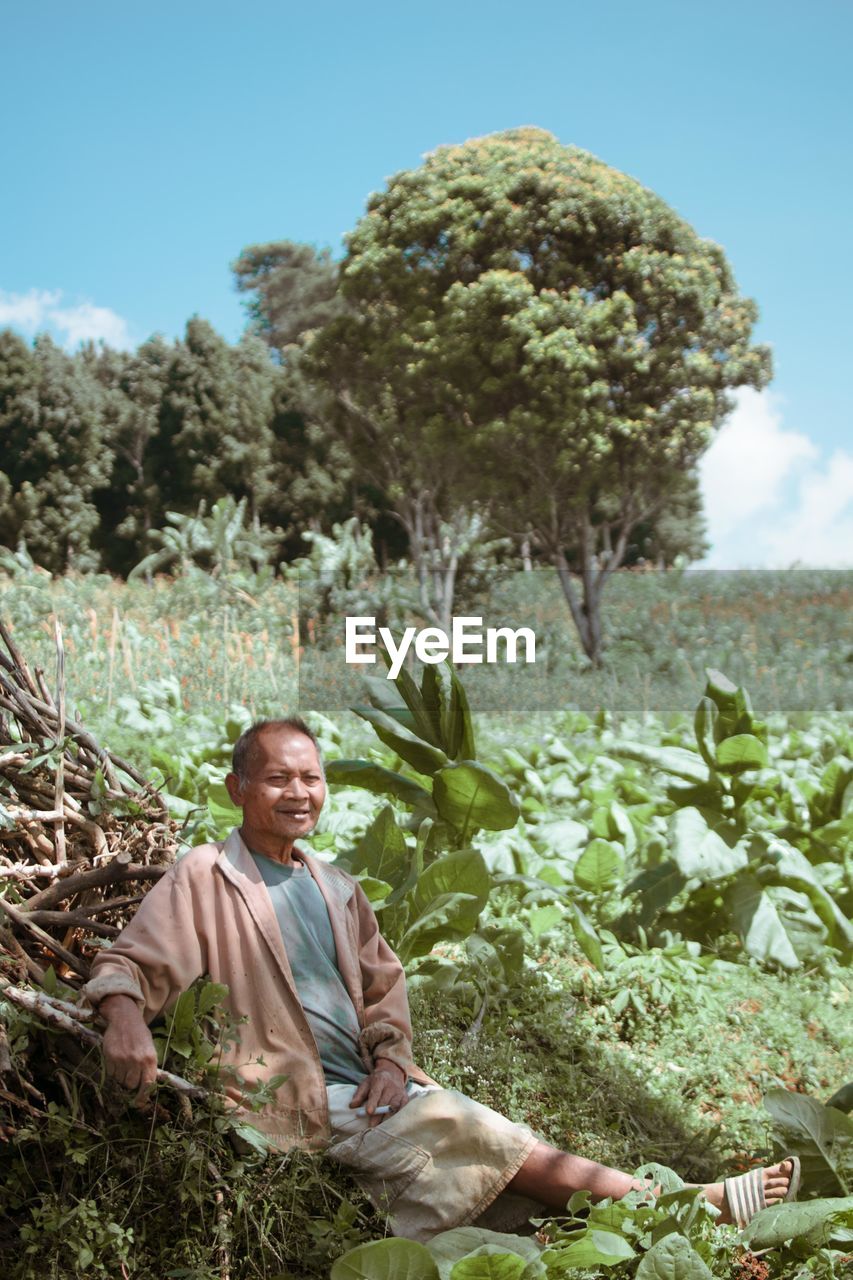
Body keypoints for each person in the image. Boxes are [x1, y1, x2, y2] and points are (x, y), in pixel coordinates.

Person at [82, 718, 799, 1242]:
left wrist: (392, 1062)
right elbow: (130, 962)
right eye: (277, 778)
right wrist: (121, 1020)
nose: (298, 792)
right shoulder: (207, 876)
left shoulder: (335, 888)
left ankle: (648, 1211)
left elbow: (383, 991)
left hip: (364, 1085)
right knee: (475, 1129)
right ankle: (683, 1203)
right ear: (238, 787)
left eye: (310, 777)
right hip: (284, 1091)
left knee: (494, 1145)